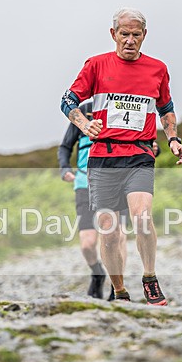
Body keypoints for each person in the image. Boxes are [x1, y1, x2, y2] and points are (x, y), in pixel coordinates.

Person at [60, 7, 182, 305]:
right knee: (109, 232)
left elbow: (166, 109)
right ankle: (119, 291)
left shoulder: (157, 69)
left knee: (142, 217)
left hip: (139, 155)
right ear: (113, 34)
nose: (130, 41)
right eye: (124, 34)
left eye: (136, 34)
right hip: (103, 157)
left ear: (145, 35)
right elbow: (67, 100)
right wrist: (83, 123)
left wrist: (173, 139)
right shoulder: (96, 65)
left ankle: (149, 277)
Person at [57, 100, 108, 299]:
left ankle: (117, 287)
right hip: (83, 184)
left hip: (112, 184)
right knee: (87, 244)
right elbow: (65, 147)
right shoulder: (83, 111)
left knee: (113, 239)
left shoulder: (116, 105)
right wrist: (64, 168)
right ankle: (97, 274)